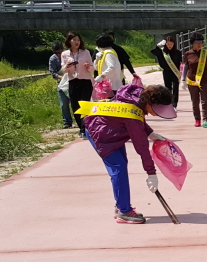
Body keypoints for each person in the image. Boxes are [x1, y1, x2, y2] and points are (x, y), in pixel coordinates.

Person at [79, 82, 177, 224]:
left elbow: (137, 117)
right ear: (150, 103)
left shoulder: (137, 97)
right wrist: (151, 174)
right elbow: (142, 148)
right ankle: (124, 212)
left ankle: (121, 205)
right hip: (100, 133)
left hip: (111, 130)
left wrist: (150, 133)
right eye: (158, 109)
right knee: (118, 169)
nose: (158, 113)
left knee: (121, 166)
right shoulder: (133, 114)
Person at [61, 32, 95, 138]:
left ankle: (84, 129)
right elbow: (63, 70)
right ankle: (81, 126)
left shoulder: (86, 52)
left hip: (85, 81)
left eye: (78, 40)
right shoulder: (65, 54)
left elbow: (92, 68)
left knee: (84, 104)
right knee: (75, 106)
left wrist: (87, 67)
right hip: (73, 81)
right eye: (74, 40)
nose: (77, 42)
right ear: (69, 41)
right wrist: (67, 66)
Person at [182, 32, 207, 128]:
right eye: (197, 42)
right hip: (192, 81)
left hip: (204, 80)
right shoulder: (188, 54)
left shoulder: (205, 53)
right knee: (195, 101)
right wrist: (183, 80)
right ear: (192, 43)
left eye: (201, 42)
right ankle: (197, 119)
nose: (199, 44)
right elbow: (185, 67)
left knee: (205, 101)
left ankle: (206, 120)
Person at [150, 34, 183, 109]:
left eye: (171, 44)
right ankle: (169, 103)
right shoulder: (163, 52)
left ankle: (174, 104)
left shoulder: (177, 52)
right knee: (167, 88)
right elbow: (153, 51)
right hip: (166, 72)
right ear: (165, 44)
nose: (170, 46)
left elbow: (181, 62)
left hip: (175, 72)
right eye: (168, 44)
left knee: (175, 88)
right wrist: (158, 45)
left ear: (174, 44)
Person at [48, 40, 72, 129]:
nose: (59, 54)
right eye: (56, 53)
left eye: (60, 52)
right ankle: (67, 122)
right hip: (62, 84)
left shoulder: (69, 55)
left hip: (73, 81)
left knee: (76, 102)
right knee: (64, 104)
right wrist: (63, 78)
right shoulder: (53, 59)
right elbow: (53, 73)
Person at [93, 34, 123, 100]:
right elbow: (96, 68)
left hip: (113, 86)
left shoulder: (109, 53)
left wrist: (102, 75)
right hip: (106, 85)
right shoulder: (104, 53)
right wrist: (97, 59)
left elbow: (111, 67)